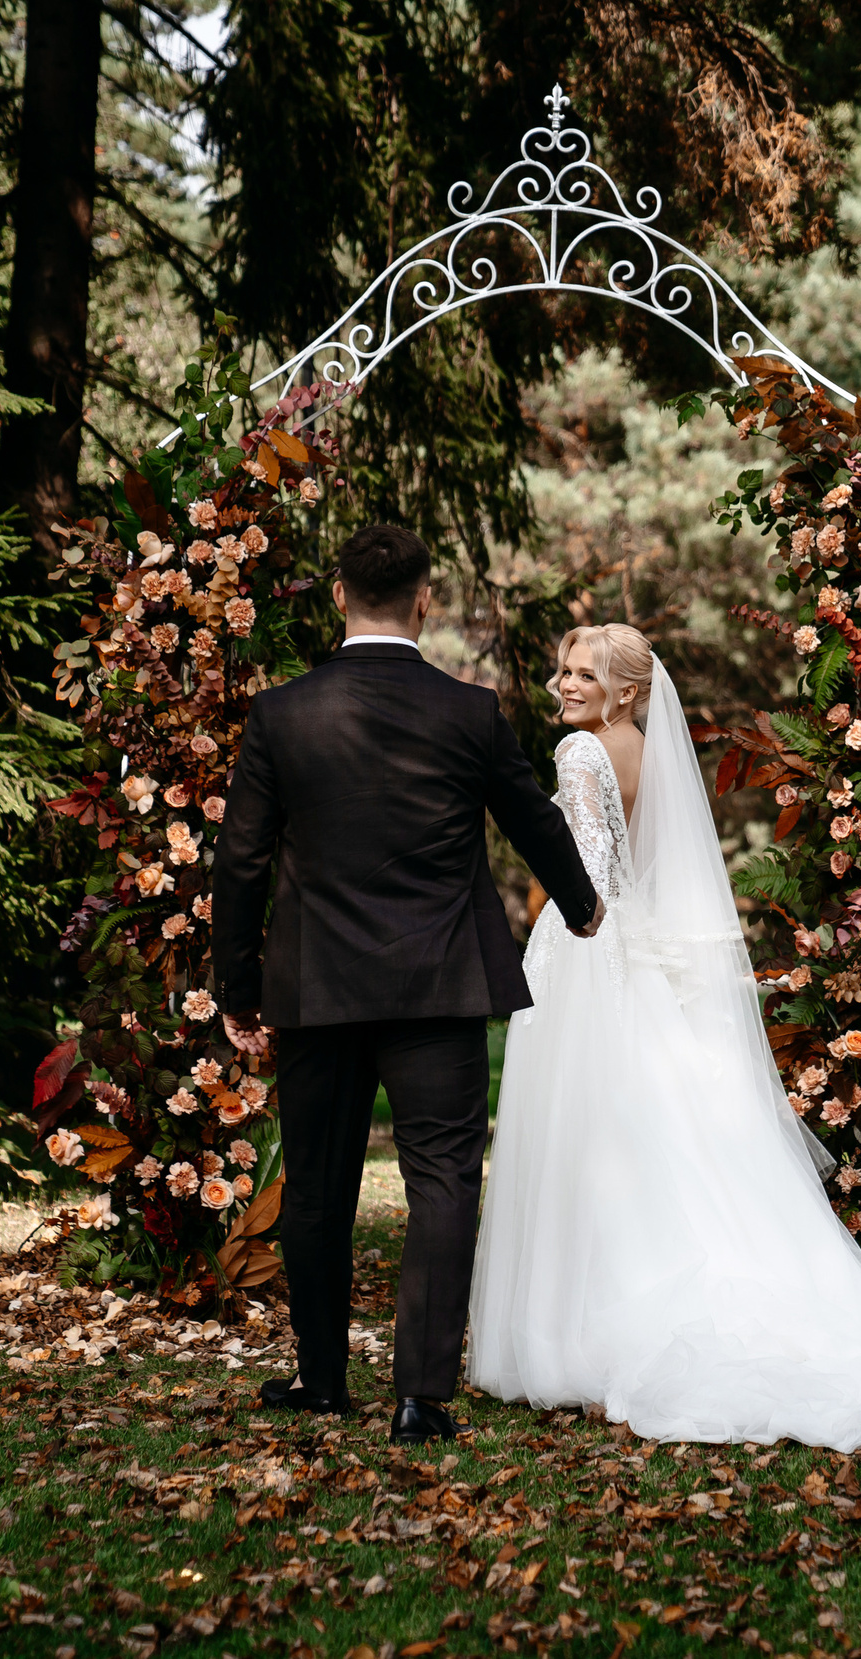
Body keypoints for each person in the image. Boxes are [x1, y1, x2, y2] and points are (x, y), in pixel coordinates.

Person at [466, 624, 861, 1448]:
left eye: (584, 673)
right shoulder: (643, 751)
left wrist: (572, 917)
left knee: (582, 1128)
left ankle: (571, 1327)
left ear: (627, 690)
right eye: (563, 669)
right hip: (634, 948)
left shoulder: (579, 754)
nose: (564, 683)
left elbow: (586, 865)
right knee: (638, 1127)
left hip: (586, 946)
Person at [212, 523, 604, 1443]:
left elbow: (238, 863)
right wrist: (584, 905)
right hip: (439, 982)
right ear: (424, 601)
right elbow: (533, 818)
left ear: (337, 597)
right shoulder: (469, 712)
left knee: (315, 1184)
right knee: (440, 1182)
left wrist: (237, 990)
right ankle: (422, 1395)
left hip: (318, 987)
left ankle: (320, 1381)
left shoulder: (282, 713)